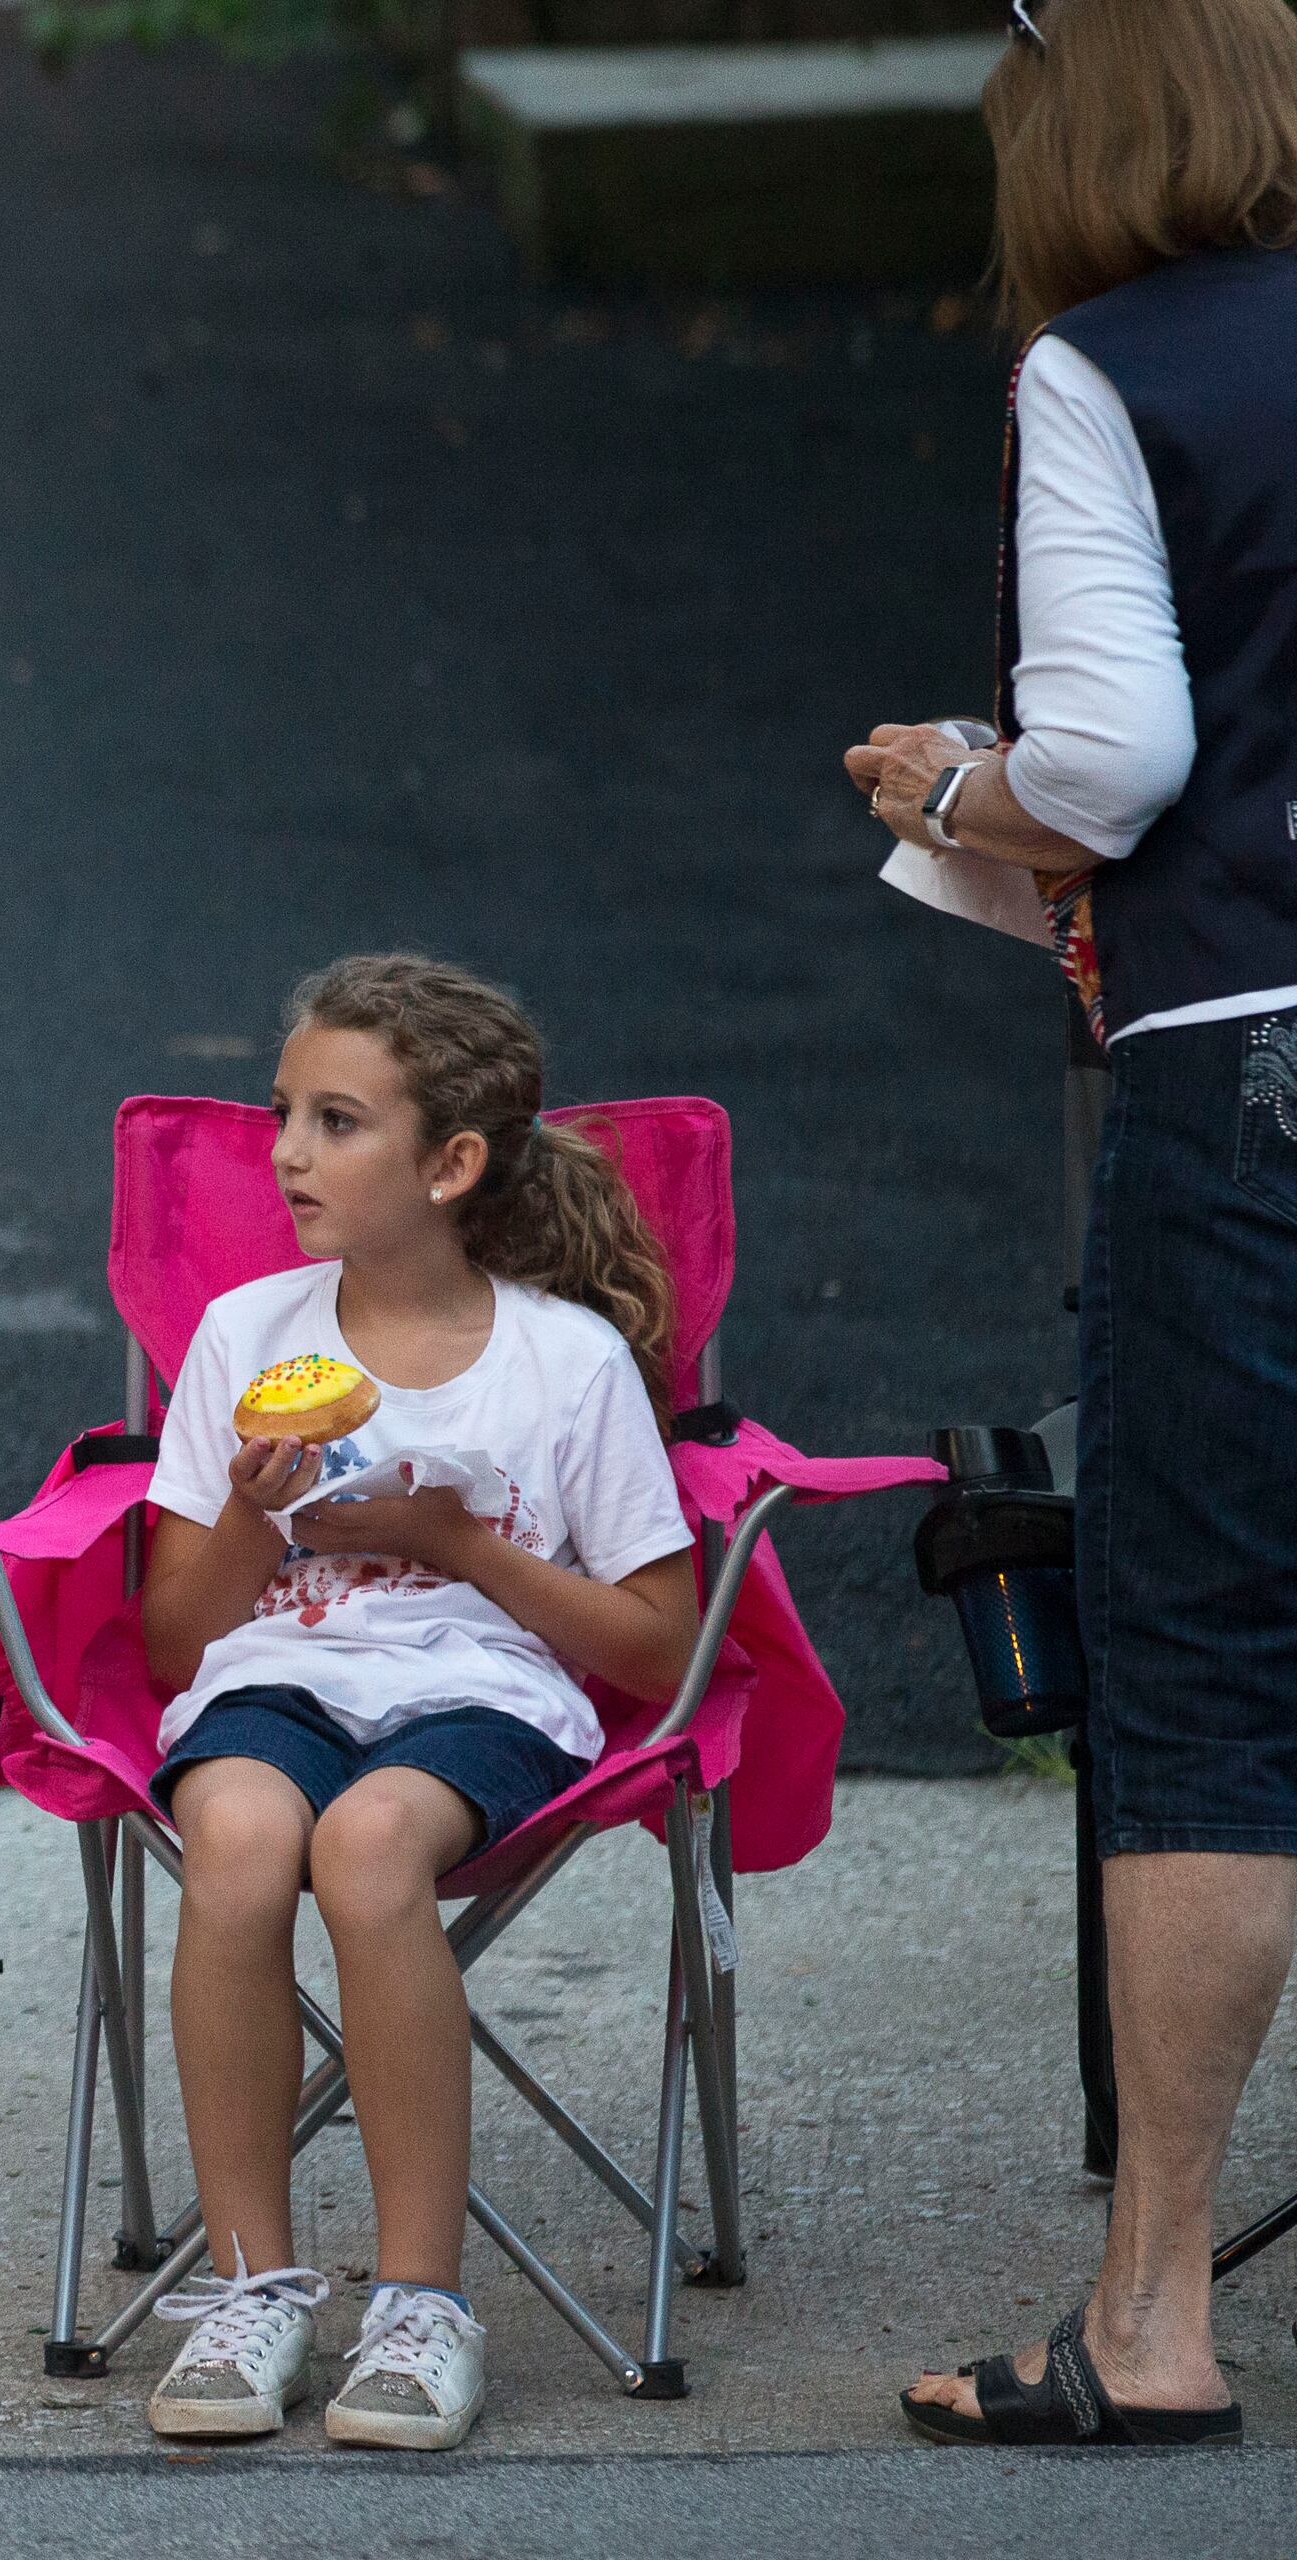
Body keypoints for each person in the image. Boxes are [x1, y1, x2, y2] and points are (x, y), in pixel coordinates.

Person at [845, 0, 1297, 2452]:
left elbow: (1119, 763)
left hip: (1261, 1068)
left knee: (1215, 1670)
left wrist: (953, 780)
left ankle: (1151, 2318)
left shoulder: (1102, 365)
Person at [131, 955, 697, 2452]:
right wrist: (260, 1523)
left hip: (484, 1695)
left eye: (335, 1123)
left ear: (451, 1165)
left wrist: (454, 1542)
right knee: (244, 1842)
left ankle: (421, 2304)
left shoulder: (564, 1365)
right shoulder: (251, 1340)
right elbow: (177, 1637)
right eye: (283, 1117)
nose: (288, 1155)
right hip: (277, 1677)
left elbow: (656, 1646)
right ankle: (254, 2290)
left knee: (371, 1849)